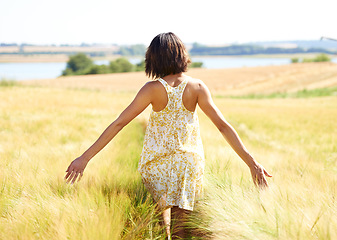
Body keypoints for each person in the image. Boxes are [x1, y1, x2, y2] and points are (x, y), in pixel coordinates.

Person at [65, 32, 272, 239]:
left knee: (158, 225)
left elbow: (119, 123)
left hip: (157, 164)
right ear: (181, 55)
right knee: (180, 230)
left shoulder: (152, 89)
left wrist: (85, 158)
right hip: (188, 163)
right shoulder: (197, 87)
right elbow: (223, 127)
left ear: (154, 58)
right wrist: (252, 163)